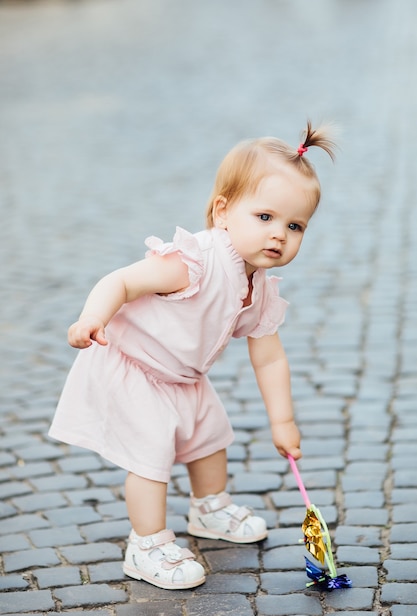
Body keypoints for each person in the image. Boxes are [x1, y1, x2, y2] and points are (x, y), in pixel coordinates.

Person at [49, 120, 335, 590]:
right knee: (151, 452)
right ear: (222, 211)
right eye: (264, 217)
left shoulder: (258, 288)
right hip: (136, 368)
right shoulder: (193, 262)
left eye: (294, 225)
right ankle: (147, 544)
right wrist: (91, 319)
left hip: (184, 376)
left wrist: (282, 421)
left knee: (211, 436)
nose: (279, 234)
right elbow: (121, 281)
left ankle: (210, 507)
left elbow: (269, 357)